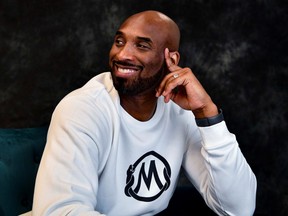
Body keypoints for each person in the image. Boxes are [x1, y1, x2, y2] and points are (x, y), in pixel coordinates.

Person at [32, 10, 257, 216]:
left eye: (142, 46)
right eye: (119, 41)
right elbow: (60, 211)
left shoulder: (180, 112)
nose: (122, 54)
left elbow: (238, 209)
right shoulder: (82, 109)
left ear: (172, 60)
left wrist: (207, 114)